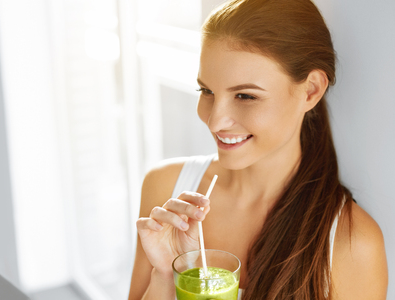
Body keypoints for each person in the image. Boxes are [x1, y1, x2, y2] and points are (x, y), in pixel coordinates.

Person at [128, 0, 388, 299]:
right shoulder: (165, 190)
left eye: (245, 96)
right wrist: (164, 275)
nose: (214, 121)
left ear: (311, 90)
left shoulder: (352, 244)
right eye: (207, 91)